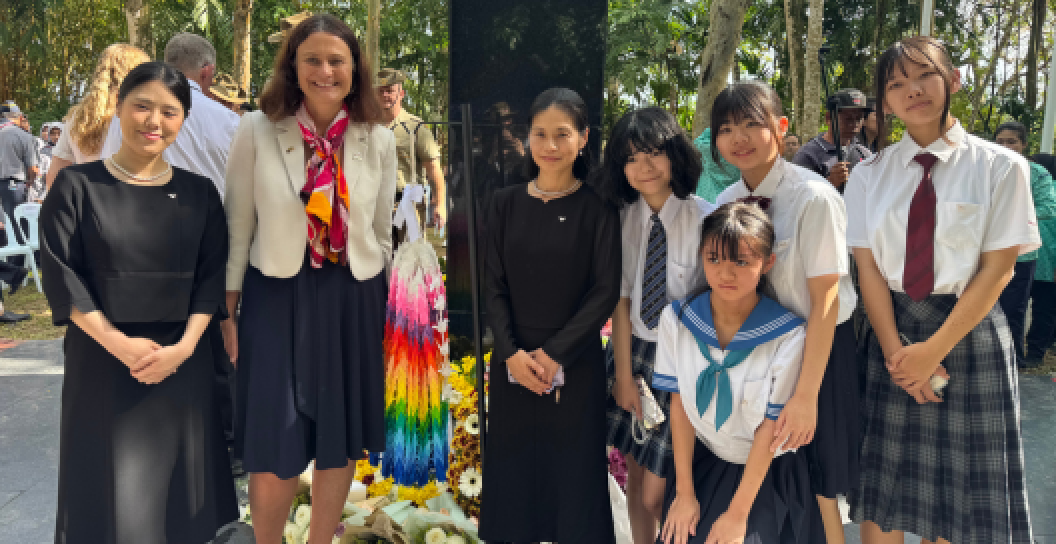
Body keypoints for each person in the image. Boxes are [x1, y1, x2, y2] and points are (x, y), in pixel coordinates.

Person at [846, 36, 1035, 544]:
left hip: (968, 335)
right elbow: (868, 271)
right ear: (883, 102)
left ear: (952, 81)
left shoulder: (1002, 166)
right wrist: (898, 355)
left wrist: (934, 351)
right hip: (895, 339)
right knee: (883, 503)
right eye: (896, 84)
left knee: (962, 509)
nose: (912, 90)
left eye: (924, 75)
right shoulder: (868, 176)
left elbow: (998, 271)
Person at [41, 61, 237, 543]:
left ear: (183, 121)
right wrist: (119, 344)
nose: (154, 122)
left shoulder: (200, 194)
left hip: (185, 365)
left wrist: (186, 346)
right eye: (142, 106)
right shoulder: (77, 187)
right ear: (119, 108)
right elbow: (61, 274)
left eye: (169, 112)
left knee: (186, 498)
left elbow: (211, 279)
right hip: (104, 362)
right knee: (109, 497)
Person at [223, 14, 395, 544]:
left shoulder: (377, 137)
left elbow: (383, 232)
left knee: (338, 436)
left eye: (336, 60)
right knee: (275, 436)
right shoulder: (256, 129)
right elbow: (237, 225)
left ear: (354, 69)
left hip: (352, 298)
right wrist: (228, 313)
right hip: (276, 296)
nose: (325, 71)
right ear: (293, 68)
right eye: (312, 59)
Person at [713, 80, 860, 544]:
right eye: (727, 128)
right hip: (759, 358)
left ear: (780, 128)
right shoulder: (722, 205)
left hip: (817, 357)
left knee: (821, 484)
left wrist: (805, 396)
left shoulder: (813, 197)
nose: (739, 137)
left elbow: (826, 299)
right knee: (771, 482)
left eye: (752, 124)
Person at [479, 87, 620, 543]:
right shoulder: (504, 203)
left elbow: (604, 291)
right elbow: (492, 286)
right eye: (540, 134)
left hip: (574, 364)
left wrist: (556, 353)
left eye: (563, 134)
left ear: (583, 138)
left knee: (573, 483)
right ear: (528, 138)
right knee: (513, 478)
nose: (551, 145)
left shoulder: (599, 208)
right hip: (513, 365)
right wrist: (511, 354)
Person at [655, 202, 821, 544]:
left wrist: (737, 515)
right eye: (713, 258)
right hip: (703, 460)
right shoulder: (678, 320)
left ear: (768, 262)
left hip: (767, 473)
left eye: (741, 261)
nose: (725, 274)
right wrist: (684, 494)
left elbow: (770, 428)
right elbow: (680, 405)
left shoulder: (787, 334)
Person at [595, 106, 713, 544]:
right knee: (637, 480)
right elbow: (622, 302)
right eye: (630, 158)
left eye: (652, 154)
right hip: (634, 355)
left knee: (657, 494)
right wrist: (623, 376)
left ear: (675, 155)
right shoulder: (623, 218)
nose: (642, 167)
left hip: (682, 361)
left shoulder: (704, 217)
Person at [101, 33, 241, 196]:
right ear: (207, 72)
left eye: (169, 114)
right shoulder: (229, 121)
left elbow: (108, 169)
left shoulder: (127, 116)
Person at [993, 120, 1056, 366]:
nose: (1006, 146)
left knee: (1012, 310)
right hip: (985, 253)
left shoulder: (1038, 174)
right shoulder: (983, 169)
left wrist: (1009, 216)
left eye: (1012, 141)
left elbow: (1047, 208)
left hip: (1021, 255)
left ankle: (1014, 359)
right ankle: (989, 358)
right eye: (1000, 141)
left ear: (1023, 145)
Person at [48, 44, 150, 190]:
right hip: (126, 199)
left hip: (88, 200)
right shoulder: (134, 114)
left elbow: (54, 174)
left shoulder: (78, 116)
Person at [377, 67, 447, 240]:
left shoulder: (416, 128)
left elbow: (434, 169)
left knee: (409, 261)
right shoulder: (368, 127)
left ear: (401, 94)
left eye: (390, 91)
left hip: (409, 207)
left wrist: (440, 204)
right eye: (381, 91)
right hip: (376, 208)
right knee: (377, 262)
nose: (385, 95)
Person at [792, 88, 872, 190]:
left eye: (859, 118)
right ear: (828, 118)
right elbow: (796, 198)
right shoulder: (808, 155)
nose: (855, 124)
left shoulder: (864, 154)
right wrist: (830, 182)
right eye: (848, 119)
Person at [1026, 152, 1056, 367]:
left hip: (1047, 265)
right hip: (1027, 261)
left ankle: (1036, 354)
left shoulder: (1049, 199)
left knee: (1044, 311)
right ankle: (1030, 352)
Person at [0, 103, 37, 265]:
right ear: (20, 117)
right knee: (17, 222)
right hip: (14, 184)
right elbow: (33, 168)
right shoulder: (23, 136)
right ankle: (17, 264)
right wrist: (30, 181)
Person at [692, 127, 740, 202]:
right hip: (736, 201)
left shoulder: (705, 150)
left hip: (707, 199)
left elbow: (697, 144)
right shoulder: (742, 155)